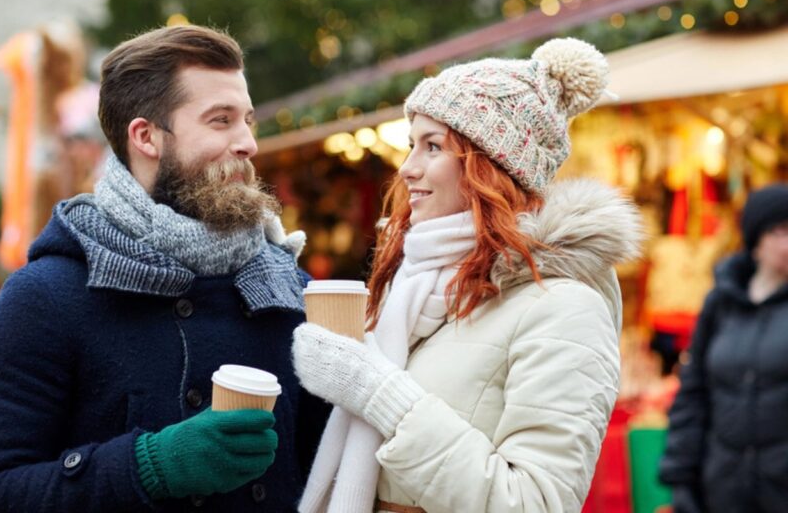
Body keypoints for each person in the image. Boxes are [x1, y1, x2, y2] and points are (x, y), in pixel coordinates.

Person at [0, 25, 330, 512]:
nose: (248, 144)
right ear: (146, 137)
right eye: (220, 121)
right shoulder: (46, 295)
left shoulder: (289, 289)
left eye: (247, 121)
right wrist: (152, 465)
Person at [291, 38, 644, 512]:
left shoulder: (565, 308)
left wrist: (378, 393)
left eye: (433, 146)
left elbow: (536, 502)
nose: (407, 169)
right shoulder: (413, 286)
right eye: (411, 145)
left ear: (492, 166)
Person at [659, 184, 788, 513]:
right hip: (722, 487)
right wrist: (681, 477)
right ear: (756, 239)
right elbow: (693, 393)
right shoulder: (722, 303)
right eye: (780, 231)